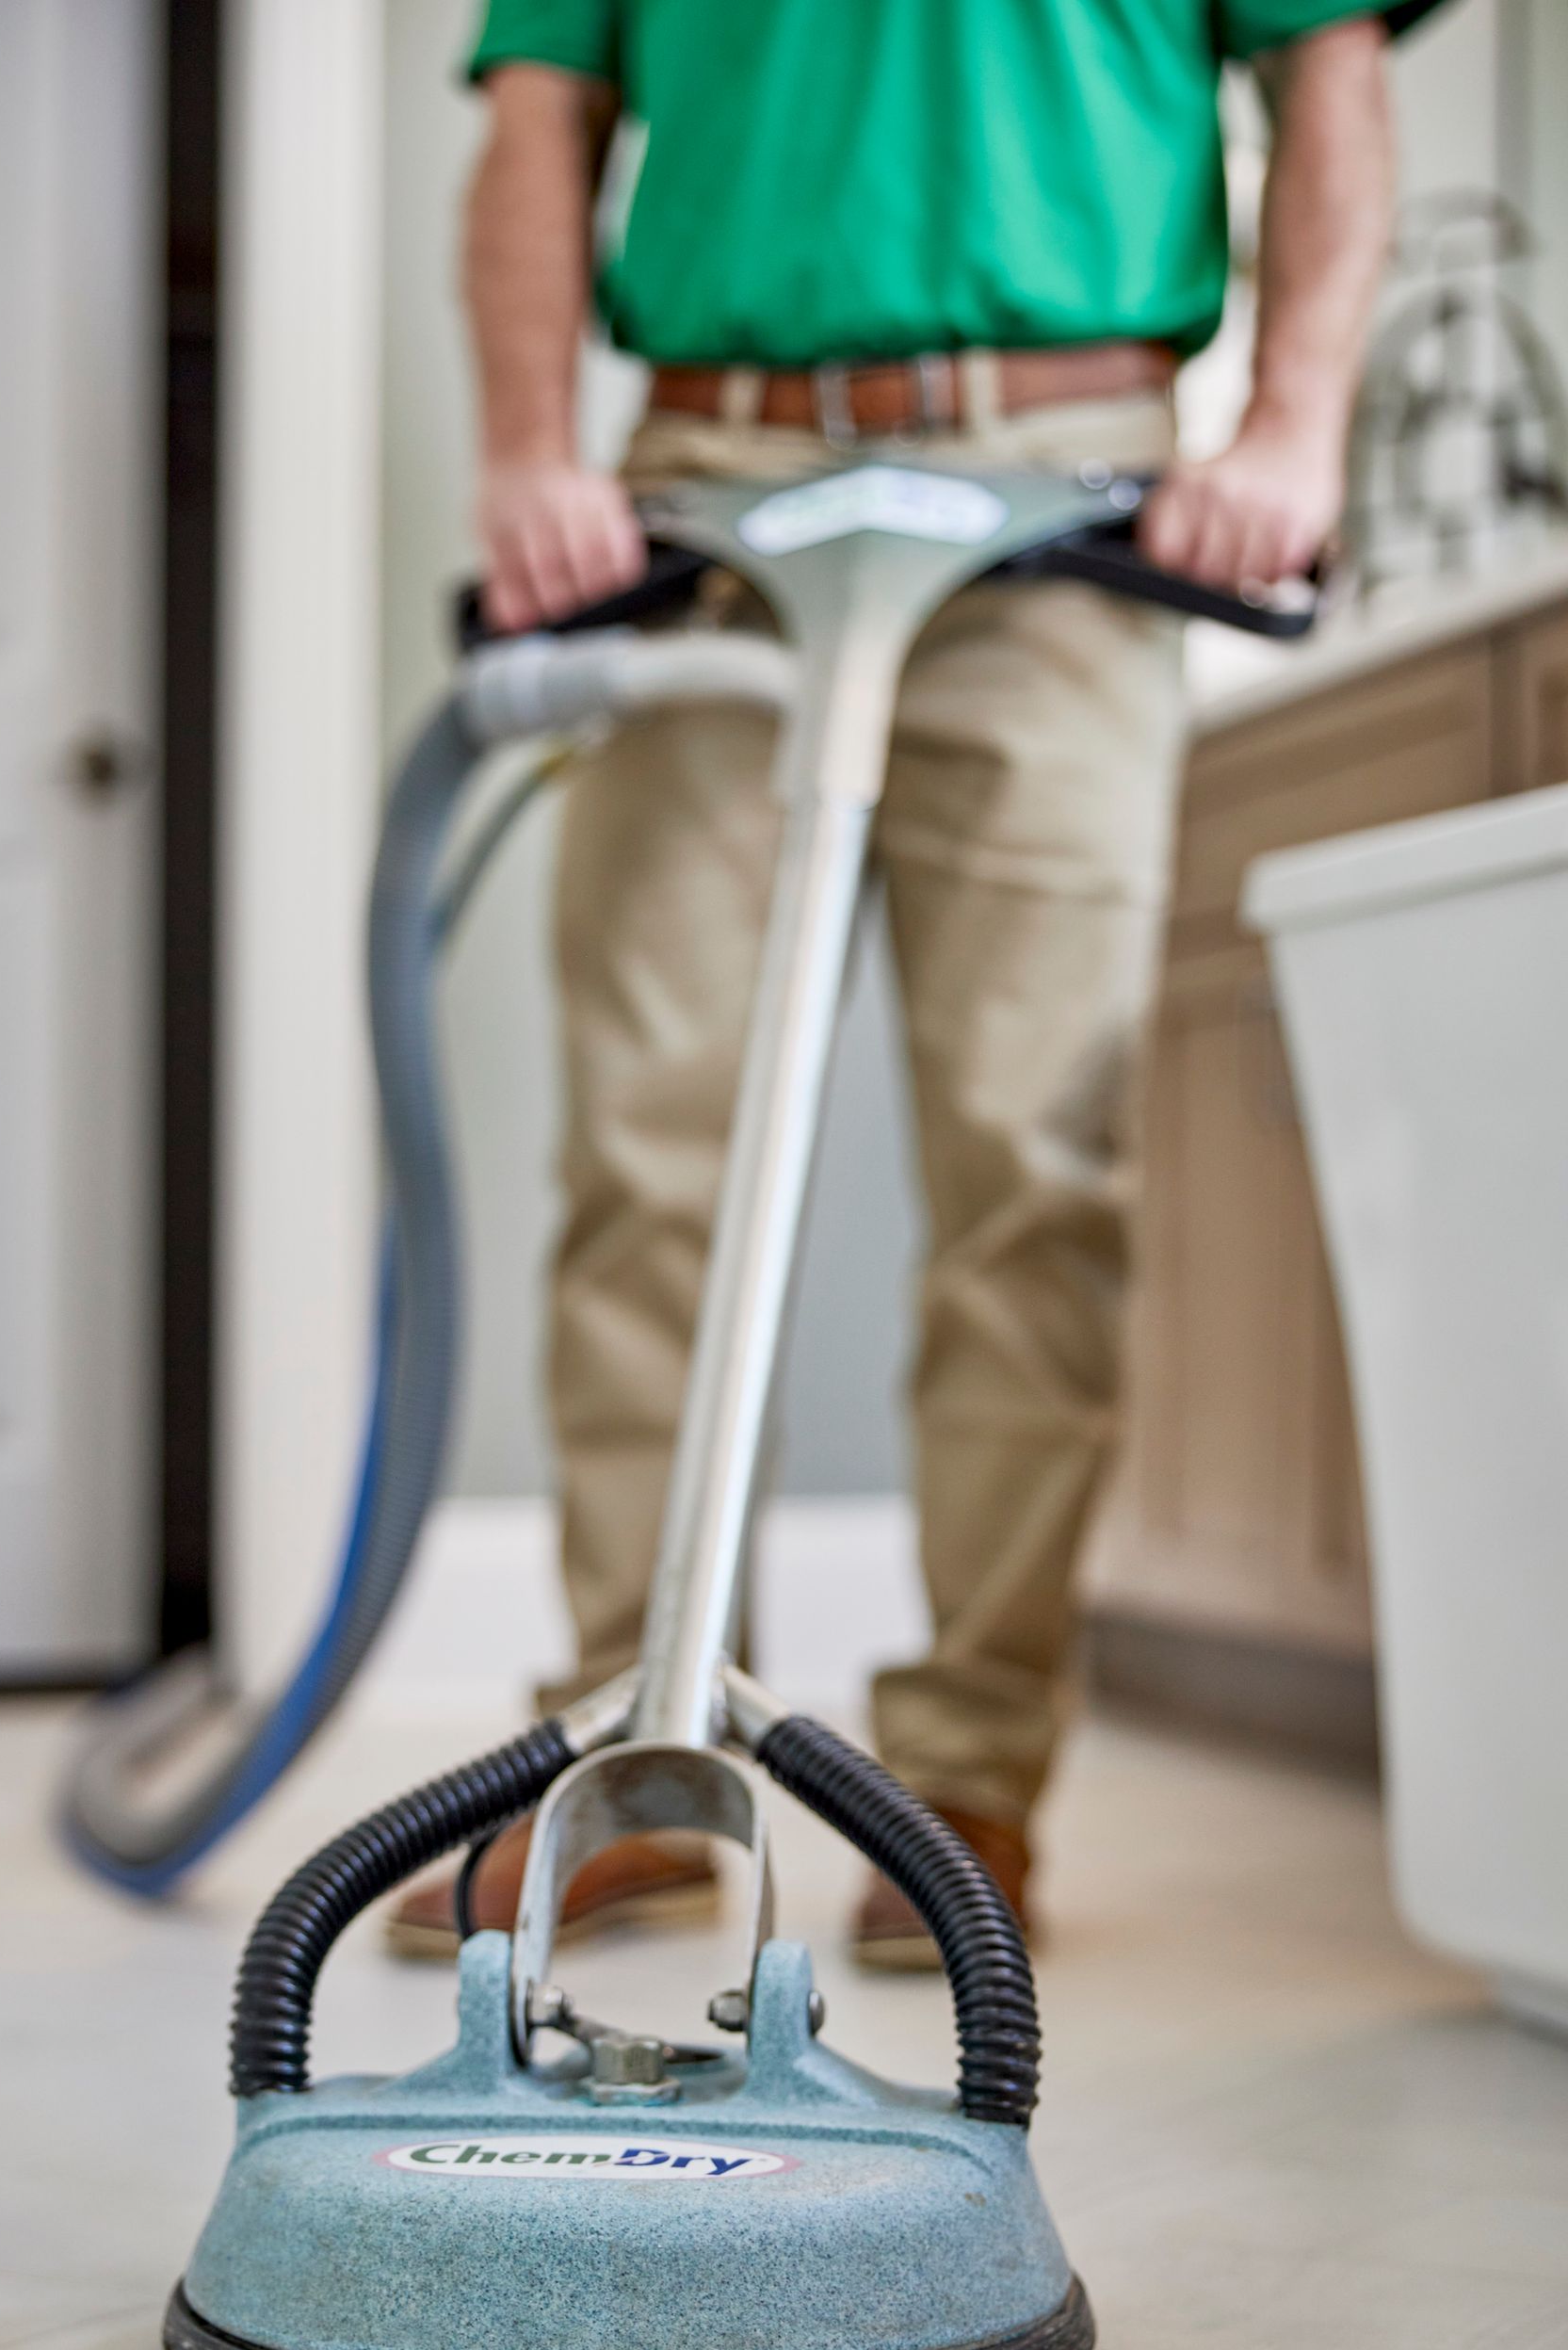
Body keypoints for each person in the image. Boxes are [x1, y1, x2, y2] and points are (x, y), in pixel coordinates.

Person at [388, 0, 1432, 1967]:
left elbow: (1333, 75)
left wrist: (1292, 427)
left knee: (1033, 1166)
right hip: (706, 485)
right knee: (648, 1162)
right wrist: (532, 451)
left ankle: (966, 1794)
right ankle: (634, 1751)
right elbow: (535, 123)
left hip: (1073, 479)